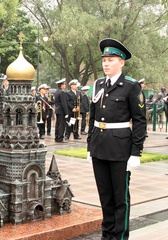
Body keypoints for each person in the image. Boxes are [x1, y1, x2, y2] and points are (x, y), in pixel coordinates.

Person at [87, 38, 146, 240]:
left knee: (121, 199)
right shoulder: (98, 84)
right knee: (105, 197)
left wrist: (135, 153)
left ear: (121, 62)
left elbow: (139, 121)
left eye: (111, 59)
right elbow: (92, 117)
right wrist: (89, 146)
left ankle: (119, 237)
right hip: (99, 147)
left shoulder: (131, 87)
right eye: (104, 59)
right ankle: (107, 235)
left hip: (120, 149)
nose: (106, 63)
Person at [54, 78, 69, 142]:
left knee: (57, 124)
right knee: (61, 125)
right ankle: (60, 138)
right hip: (61, 111)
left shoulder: (56, 92)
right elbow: (64, 103)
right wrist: (66, 112)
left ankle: (57, 137)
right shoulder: (62, 92)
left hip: (57, 110)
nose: (65, 85)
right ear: (61, 85)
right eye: (64, 84)